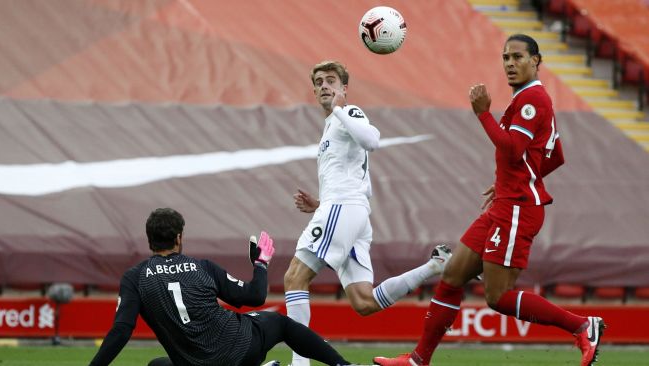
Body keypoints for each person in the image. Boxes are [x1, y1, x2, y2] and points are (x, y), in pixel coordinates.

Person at [373, 34, 605, 366]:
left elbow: (512, 148)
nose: (510, 63)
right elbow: (554, 157)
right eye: (506, 58)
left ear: (536, 61)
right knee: (453, 274)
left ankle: (583, 326)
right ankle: (418, 360)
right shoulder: (531, 99)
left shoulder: (532, 100)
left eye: (518, 57)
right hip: (507, 202)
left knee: (497, 297)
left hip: (517, 210)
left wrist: (483, 114)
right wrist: (513, 180)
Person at [283, 60, 452, 366]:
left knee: (294, 277)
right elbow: (352, 178)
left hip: (343, 209)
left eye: (331, 80)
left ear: (344, 88)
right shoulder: (332, 125)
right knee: (364, 302)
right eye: (319, 81)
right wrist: (319, 205)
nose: (324, 85)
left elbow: (372, 140)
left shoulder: (347, 112)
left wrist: (339, 109)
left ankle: (300, 363)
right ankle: (435, 265)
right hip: (349, 211)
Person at [89, 207, 354, 366]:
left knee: (157, 365)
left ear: (149, 240)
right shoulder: (202, 267)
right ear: (179, 237)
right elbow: (255, 296)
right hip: (240, 349)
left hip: (195, 363)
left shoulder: (135, 277)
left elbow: (121, 331)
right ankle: (341, 364)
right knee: (281, 324)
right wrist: (260, 264)